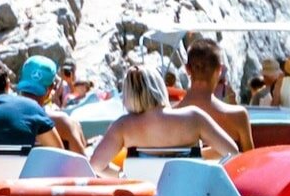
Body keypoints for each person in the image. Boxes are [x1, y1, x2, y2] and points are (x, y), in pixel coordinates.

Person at [90, 62, 239, 172]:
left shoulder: (122, 126)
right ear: (160, 87)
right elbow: (233, 153)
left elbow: (96, 165)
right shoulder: (194, 117)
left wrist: (125, 177)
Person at [181, 38, 254, 153]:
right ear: (219, 70)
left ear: (187, 69)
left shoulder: (170, 116)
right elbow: (249, 161)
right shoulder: (238, 116)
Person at [13, 56, 88, 153]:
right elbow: (82, 165)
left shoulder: (1, 117)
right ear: (51, 88)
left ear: (21, 80)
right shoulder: (62, 122)